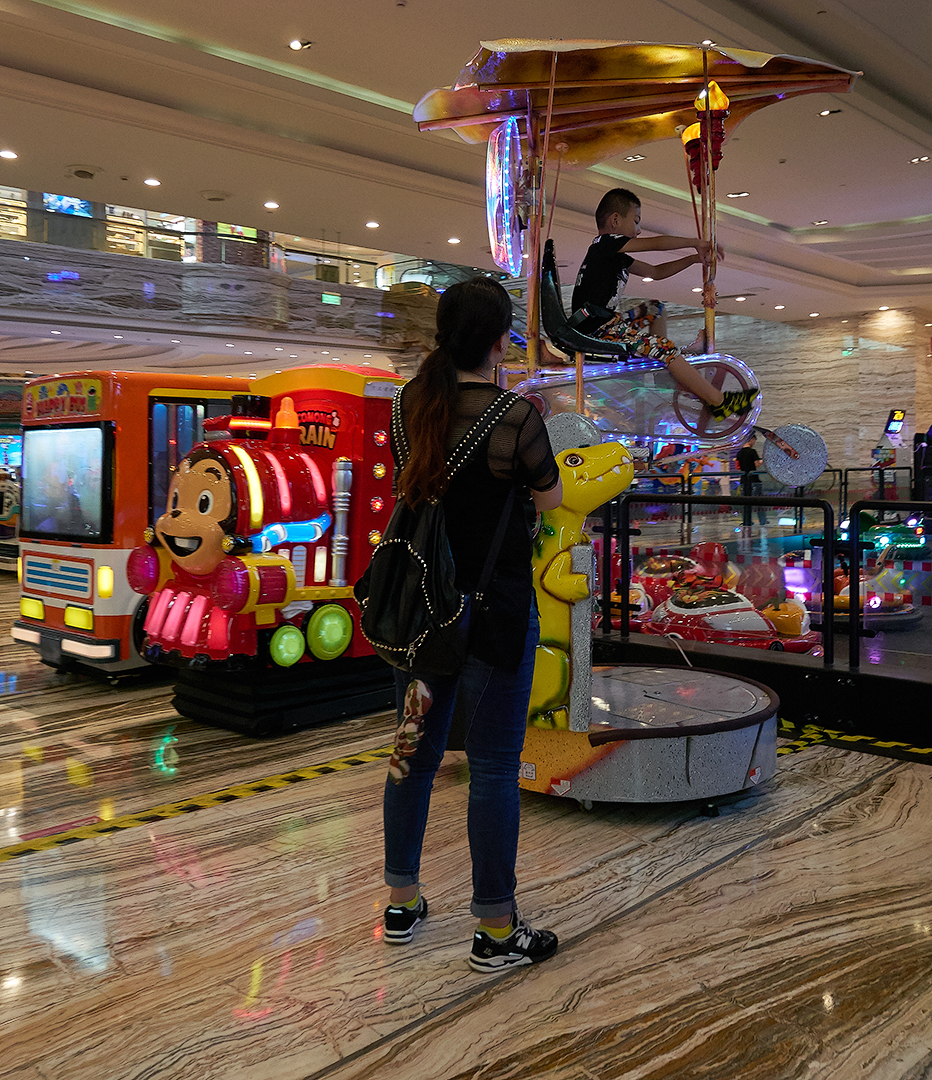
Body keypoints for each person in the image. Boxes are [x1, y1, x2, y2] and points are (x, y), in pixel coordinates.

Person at [382, 276, 563, 973]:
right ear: (497, 341)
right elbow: (547, 497)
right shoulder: (516, 418)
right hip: (492, 619)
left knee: (411, 756)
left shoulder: (408, 408)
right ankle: (493, 931)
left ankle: (401, 900)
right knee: (490, 768)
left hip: (423, 618)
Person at [572, 187, 759, 421]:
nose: (638, 231)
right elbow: (657, 244)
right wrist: (695, 243)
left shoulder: (610, 253)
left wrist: (693, 259)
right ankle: (719, 403)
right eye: (636, 222)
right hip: (597, 328)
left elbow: (656, 272)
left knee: (655, 308)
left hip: (603, 322)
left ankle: (663, 366)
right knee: (664, 348)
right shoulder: (606, 244)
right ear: (615, 220)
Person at [736, 434, 767, 526]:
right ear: (752, 439)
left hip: (743, 480)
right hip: (754, 480)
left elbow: (737, 466)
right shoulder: (752, 452)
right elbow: (757, 464)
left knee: (746, 502)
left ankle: (747, 520)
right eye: (754, 441)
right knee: (758, 502)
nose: (754, 443)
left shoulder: (740, 452)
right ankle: (762, 520)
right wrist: (763, 460)